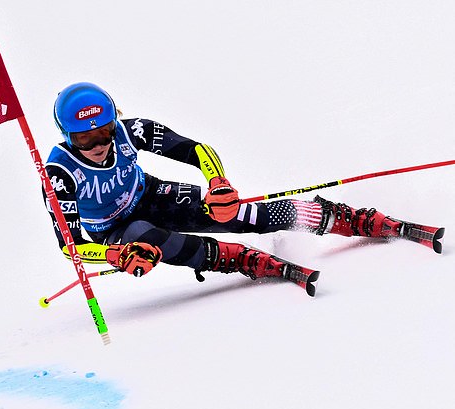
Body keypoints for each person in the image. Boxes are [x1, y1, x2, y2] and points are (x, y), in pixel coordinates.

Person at [42, 82, 443, 290]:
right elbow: (71, 247)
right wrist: (116, 255)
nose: (98, 145)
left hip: (150, 194)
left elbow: (195, 149)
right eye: (85, 139)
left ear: (115, 121)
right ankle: (237, 260)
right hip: (112, 232)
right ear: (67, 136)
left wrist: (217, 183)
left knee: (237, 214)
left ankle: (343, 218)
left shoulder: (133, 131)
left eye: (105, 133)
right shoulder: (59, 174)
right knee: (144, 236)